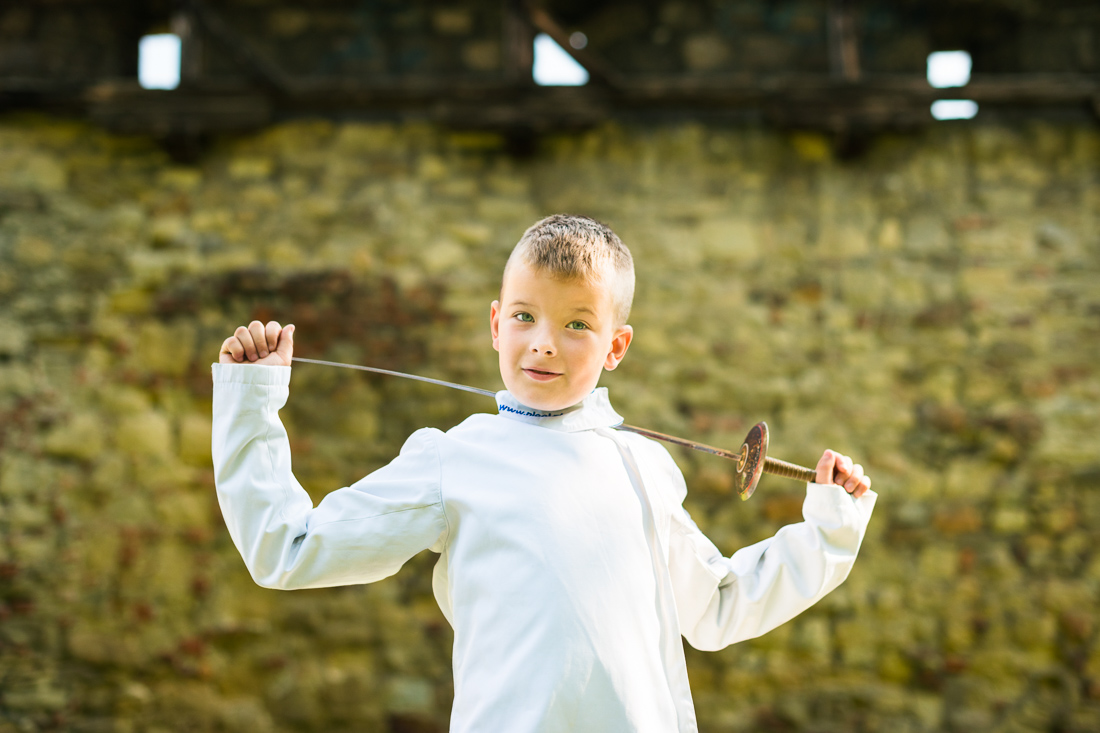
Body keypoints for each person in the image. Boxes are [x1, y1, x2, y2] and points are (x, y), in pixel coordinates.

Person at [212, 214, 876, 733]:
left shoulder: (643, 466)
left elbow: (720, 605)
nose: (544, 341)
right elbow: (288, 547)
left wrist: (829, 527)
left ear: (616, 345)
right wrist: (251, 402)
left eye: (577, 323)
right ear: (497, 323)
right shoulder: (457, 458)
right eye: (525, 316)